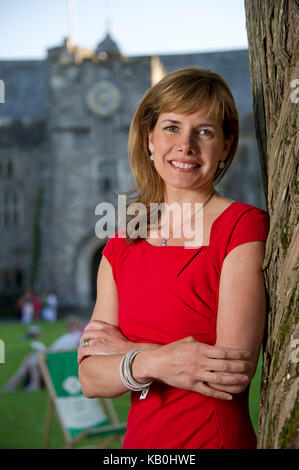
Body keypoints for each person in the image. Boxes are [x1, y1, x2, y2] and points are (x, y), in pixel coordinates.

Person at [77, 68, 270, 449]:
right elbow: (89, 378)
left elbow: (230, 373)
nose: (186, 145)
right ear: (149, 139)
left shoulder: (242, 227)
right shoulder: (120, 246)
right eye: (172, 127)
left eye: (205, 131)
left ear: (227, 146)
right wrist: (153, 361)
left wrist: (126, 356)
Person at [1, 316, 82, 392]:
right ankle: (14, 385)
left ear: (76, 325)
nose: (69, 327)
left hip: (57, 358)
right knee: (30, 360)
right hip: (51, 354)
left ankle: (26, 385)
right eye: (69, 325)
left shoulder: (77, 336)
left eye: (72, 325)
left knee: (32, 362)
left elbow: (71, 350)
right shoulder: (67, 335)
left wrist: (48, 352)